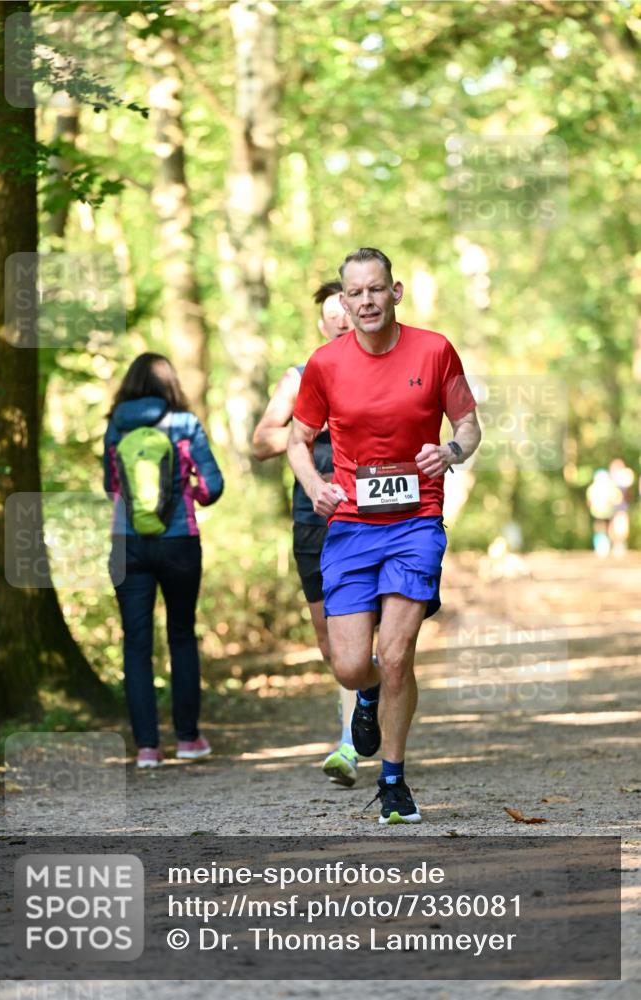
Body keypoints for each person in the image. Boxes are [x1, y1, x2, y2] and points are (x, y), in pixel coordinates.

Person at [287, 248, 481, 824]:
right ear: (343, 302)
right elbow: (298, 440)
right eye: (356, 293)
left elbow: (469, 427)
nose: (367, 301)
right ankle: (365, 697)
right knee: (352, 666)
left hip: (416, 521)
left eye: (377, 290)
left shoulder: (434, 349)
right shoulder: (324, 364)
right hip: (349, 525)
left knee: (396, 654)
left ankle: (393, 781)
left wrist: (447, 452)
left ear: (395, 292)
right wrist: (315, 484)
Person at [252, 281, 360, 787]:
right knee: (331, 642)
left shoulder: (387, 371)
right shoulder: (300, 377)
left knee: (366, 628)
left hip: (375, 514)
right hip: (314, 516)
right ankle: (367, 697)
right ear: (322, 324)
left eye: (348, 309)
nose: (341, 319)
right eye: (332, 313)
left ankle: (350, 741)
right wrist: (308, 428)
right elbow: (261, 441)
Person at [104, 353, 224, 768]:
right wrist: (189, 494)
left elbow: (110, 485)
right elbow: (213, 486)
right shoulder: (184, 424)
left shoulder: (117, 424)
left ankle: (147, 748)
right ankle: (188, 739)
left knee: (136, 644)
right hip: (179, 543)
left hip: (127, 544)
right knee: (181, 635)